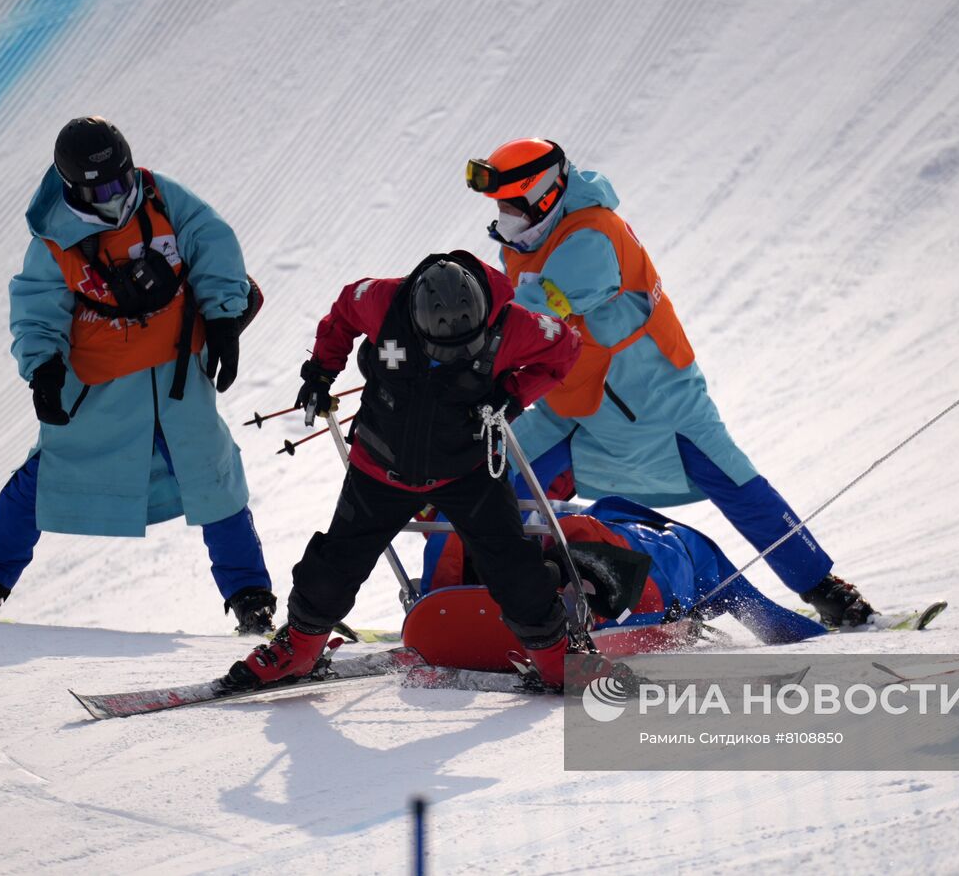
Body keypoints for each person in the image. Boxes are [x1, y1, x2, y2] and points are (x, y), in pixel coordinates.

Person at [463, 137, 878, 627]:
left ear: (547, 195)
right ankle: (476, 594)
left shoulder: (594, 235)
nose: (504, 216)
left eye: (513, 204)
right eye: (499, 205)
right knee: (487, 471)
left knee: (738, 487)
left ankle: (827, 592)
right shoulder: (524, 242)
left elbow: (532, 316)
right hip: (578, 406)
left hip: (659, 400)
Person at [0, 116, 275, 633]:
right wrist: (45, 370)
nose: (114, 195)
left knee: (214, 478)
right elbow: (37, 307)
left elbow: (213, 245)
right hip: (98, 387)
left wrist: (222, 317)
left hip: (175, 379)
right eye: (99, 188)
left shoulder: (163, 200)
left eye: (121, 181)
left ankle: (252, 599)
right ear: (73, 187)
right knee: (45, 477)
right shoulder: (54, 238)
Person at [228, 251, 586, 688]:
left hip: (468, 468)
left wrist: (513, 394)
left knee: (514, 567)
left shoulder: (513, 324)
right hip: (379, 467)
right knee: (333, 564)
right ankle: (299, 650)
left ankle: (556, 660)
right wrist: (322, 371)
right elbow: (343, 310)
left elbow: (566, 346)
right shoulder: (382, 300)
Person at [425, 495, 828, 645]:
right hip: (640, 558)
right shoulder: (698, 554)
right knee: (754, 609)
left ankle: (463, 587)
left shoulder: (603, 517)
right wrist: (822, 639)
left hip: (593, 537)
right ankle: (557, 586)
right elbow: (768, 620)